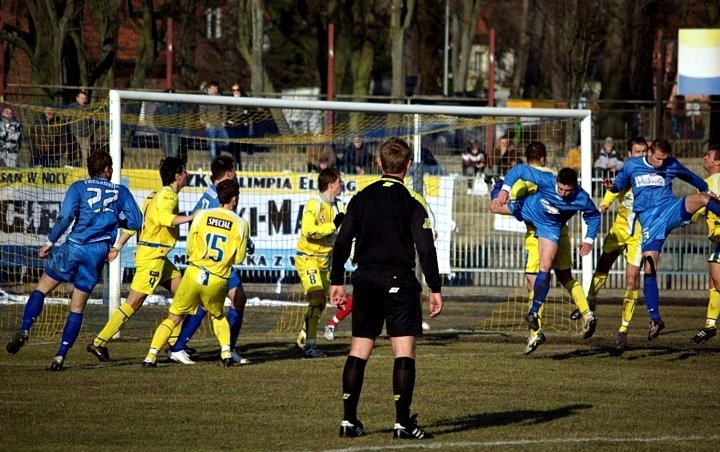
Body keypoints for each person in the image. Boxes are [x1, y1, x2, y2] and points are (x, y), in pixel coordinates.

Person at [330, 137, 443, 439]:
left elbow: (341, 242)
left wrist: (337, 280)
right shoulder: (412, 200)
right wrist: (435, 287)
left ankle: (348, 421)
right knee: (403, 351)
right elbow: (426, 248)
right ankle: (402, 423)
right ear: (407, 166)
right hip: (399, 281)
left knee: (359, 349)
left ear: (379, 164)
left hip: (365, 280)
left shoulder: (361, 198)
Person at [6, 151, 142, 370]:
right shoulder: (121, 192)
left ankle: (25, 328)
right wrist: (116, 245)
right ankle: (60, 356)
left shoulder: (79, 187)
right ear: (107, 170)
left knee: (41, 289)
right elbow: (135, 222)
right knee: (77, 307)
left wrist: (49, 243)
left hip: (74, 246)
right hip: (97, 252)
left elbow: (66, 217)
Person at [606, 138, 720, 340]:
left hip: (670, 210)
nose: (661, 163)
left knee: (703, 198)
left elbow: (693, 178)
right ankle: (656, 319)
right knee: (649, 266)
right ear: (649, 152)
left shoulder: (671, 163)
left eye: (664, 159)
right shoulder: (632, 165)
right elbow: (619, 184)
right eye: (658, 158)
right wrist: (612, 187)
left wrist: (707, 190)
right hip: (649, 221)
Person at [489, 141, 597, 354]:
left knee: (539, 276)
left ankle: (535, 328)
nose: (564, 194)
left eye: (569, 191)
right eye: (561, 189)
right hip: (536, 215)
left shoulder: (580, 197)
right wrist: (506, 189)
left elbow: (593, 215)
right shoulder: (546, 177)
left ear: (575, 187)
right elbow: (519, 171)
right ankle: (586, 313)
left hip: (547, 228)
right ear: (545, 159)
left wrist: (589, 240)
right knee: (564, 276)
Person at [87, 157, 195, 361]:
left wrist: (118, 246)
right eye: (185, 171)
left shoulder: (154, 195)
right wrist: (192, 217)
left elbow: (135, 222)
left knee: (185, 295)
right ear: (178, 175)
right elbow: (166, 219)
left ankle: (174, 344)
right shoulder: (168, 196)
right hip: (153, 257)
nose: (187, 174)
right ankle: (99, 342)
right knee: (134, 302)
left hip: (159, 257)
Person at [142, 178, 249, 367]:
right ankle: (225, 353)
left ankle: (150, 356)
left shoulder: (201, 215)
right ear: (235, 198)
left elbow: (190, 247)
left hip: (193, 273)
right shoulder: (241, 223)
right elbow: (239, 259)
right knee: (218, 316)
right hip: (217, 278)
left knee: (173, 317)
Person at [167, 155, 252, 365]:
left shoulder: (212, 194)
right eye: (235, 172)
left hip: (211, 259)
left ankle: (217, 347)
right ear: (230, 173)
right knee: (227, 300)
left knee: (228, 300)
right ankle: (220, 348)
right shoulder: (219, 198)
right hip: (216, 262)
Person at [575, 137, 648, 352]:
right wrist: (604, 204)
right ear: (629, 154)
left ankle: (623, 329)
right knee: (603, 266)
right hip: (618, 231)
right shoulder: (626, 174)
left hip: (639, 236)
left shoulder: (653, 177)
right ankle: (589, 301)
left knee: (631, 280)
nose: (641, 155)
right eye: (637, 151)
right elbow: (613, 188)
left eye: (645, 151)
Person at [294, 167, 345, 358]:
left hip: (325, 262)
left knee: (320, 304)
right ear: (331, 184)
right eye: (339, 181)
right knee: (316, 298)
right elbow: (308, 230)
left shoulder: (340, 206)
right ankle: (310, 346)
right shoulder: (314, 204)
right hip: (307, 258)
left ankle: (303, 337)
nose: (342, 184)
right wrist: (333, 225)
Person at [690, 144, 720, 344]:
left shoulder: (706, 185)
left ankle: (710, 325)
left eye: (708, 155)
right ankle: (710, 324)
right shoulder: (706, 184)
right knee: (714, 282)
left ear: (717, 161)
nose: (704, 157)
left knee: (718, 282)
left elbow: (694, 213)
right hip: (715, 238)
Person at [226, 83, 254, 170]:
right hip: (232, 125)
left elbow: (249, 111)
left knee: (237, 145)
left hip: (241, 125)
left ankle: (238, 164)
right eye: (233, 90)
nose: (235, 92)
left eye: (237, 90)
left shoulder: (245, 98)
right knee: (233, 146)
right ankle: (236, 163)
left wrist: (245, 119)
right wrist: (228, 119)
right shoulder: (229, 99)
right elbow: (227, 111)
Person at [199, 81, 229, 159]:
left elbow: (224, 110)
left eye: (216, 89)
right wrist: (206, 123)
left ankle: (219, 159)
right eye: (213, 88)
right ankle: (213, 163)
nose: (214, 90)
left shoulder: (220, 98)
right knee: (212, 146)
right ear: (209, 88)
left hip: (219, 125)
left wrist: (223, 121)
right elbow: (202, 112)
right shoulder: (205, 99)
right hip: (210, 126)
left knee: (226, 142)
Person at [153, 88, 184, 158]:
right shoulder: (160, 107)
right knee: (166, 150)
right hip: (164, 132)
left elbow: (182, 119)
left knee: (174, 151)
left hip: (175, 133)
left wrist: (178, 131)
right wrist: (160, 129)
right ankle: (167, 165)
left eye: (171, 95)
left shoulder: (178, 107)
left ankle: (173, 166)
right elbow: (156, 119)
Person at [67, 90, 93, 166]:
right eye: (81, 98)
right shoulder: (72, 107)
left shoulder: (88, 108)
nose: (83, 100)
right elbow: (66, 118)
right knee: (74, 154)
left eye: (84, 98)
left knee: (85, 156)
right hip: (75, 135)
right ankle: (74, 169)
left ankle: (84, 172)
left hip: (85, 135)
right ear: (77, 98)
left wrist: (89, 131)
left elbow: (91, 121)